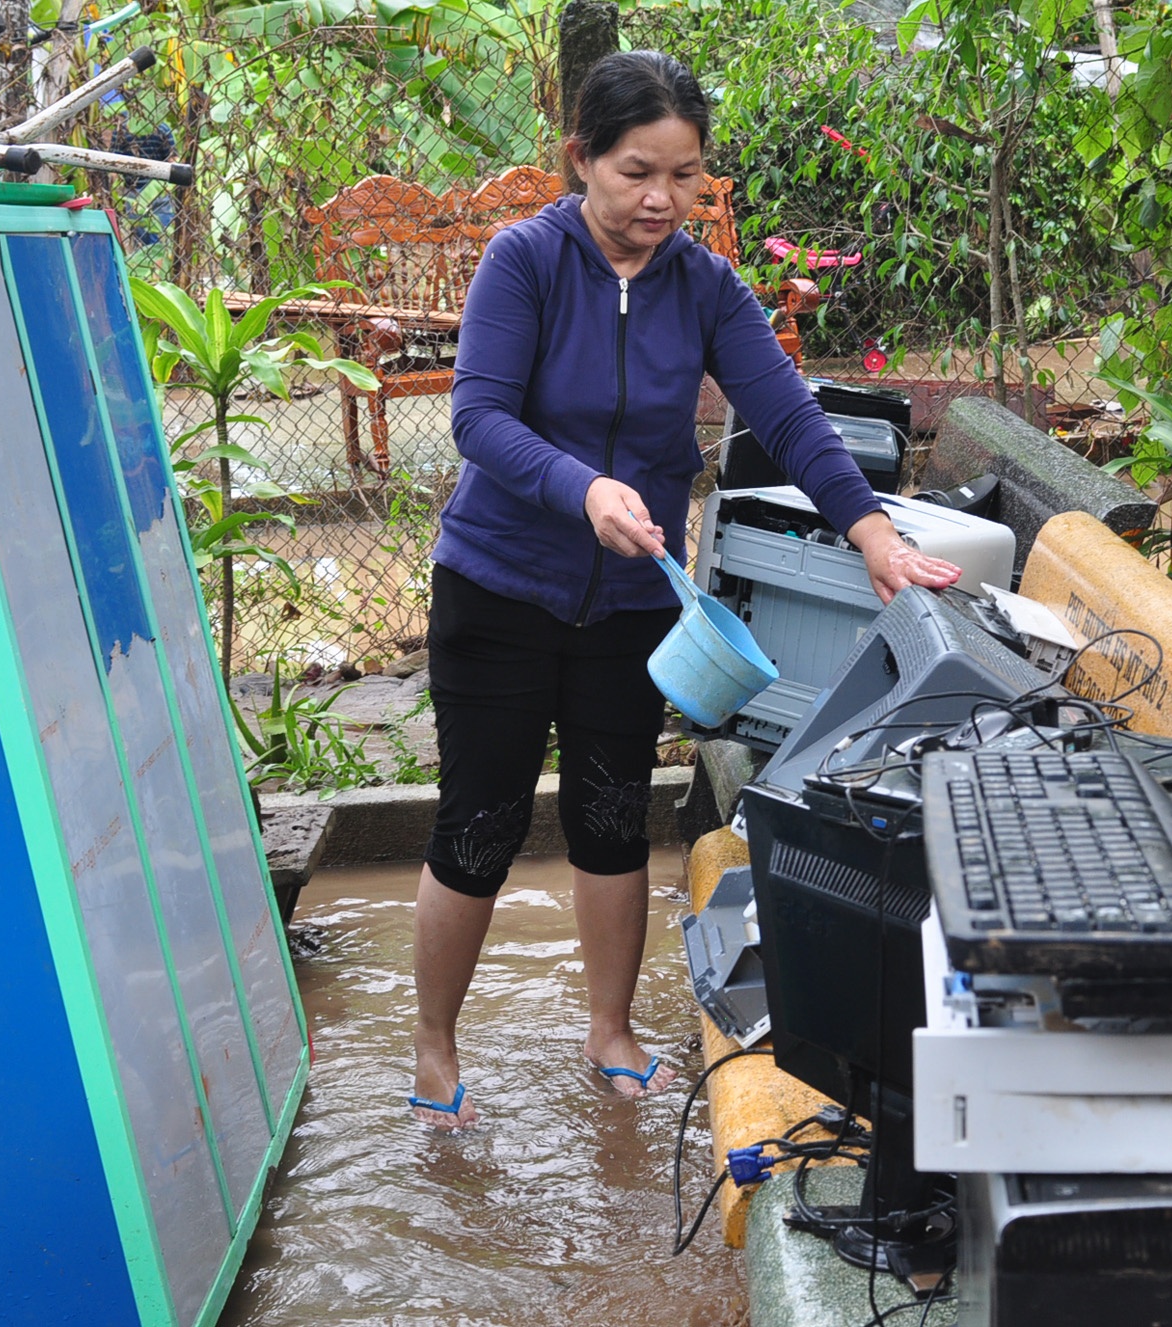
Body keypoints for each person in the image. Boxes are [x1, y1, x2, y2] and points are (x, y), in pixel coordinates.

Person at [408, 49, 962, 1129]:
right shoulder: (525, 262)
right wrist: (583, 488)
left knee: (615, 817)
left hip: (631, 603)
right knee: (478, 825)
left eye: (683, 175)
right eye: (635, 172)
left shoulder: (705, 286)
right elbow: (478, 417)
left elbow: (788, 415)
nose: (661, 199)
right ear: (581, 159)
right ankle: (433, 1045)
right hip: (499, 590)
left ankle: (609, 1031)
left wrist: (873, 533)